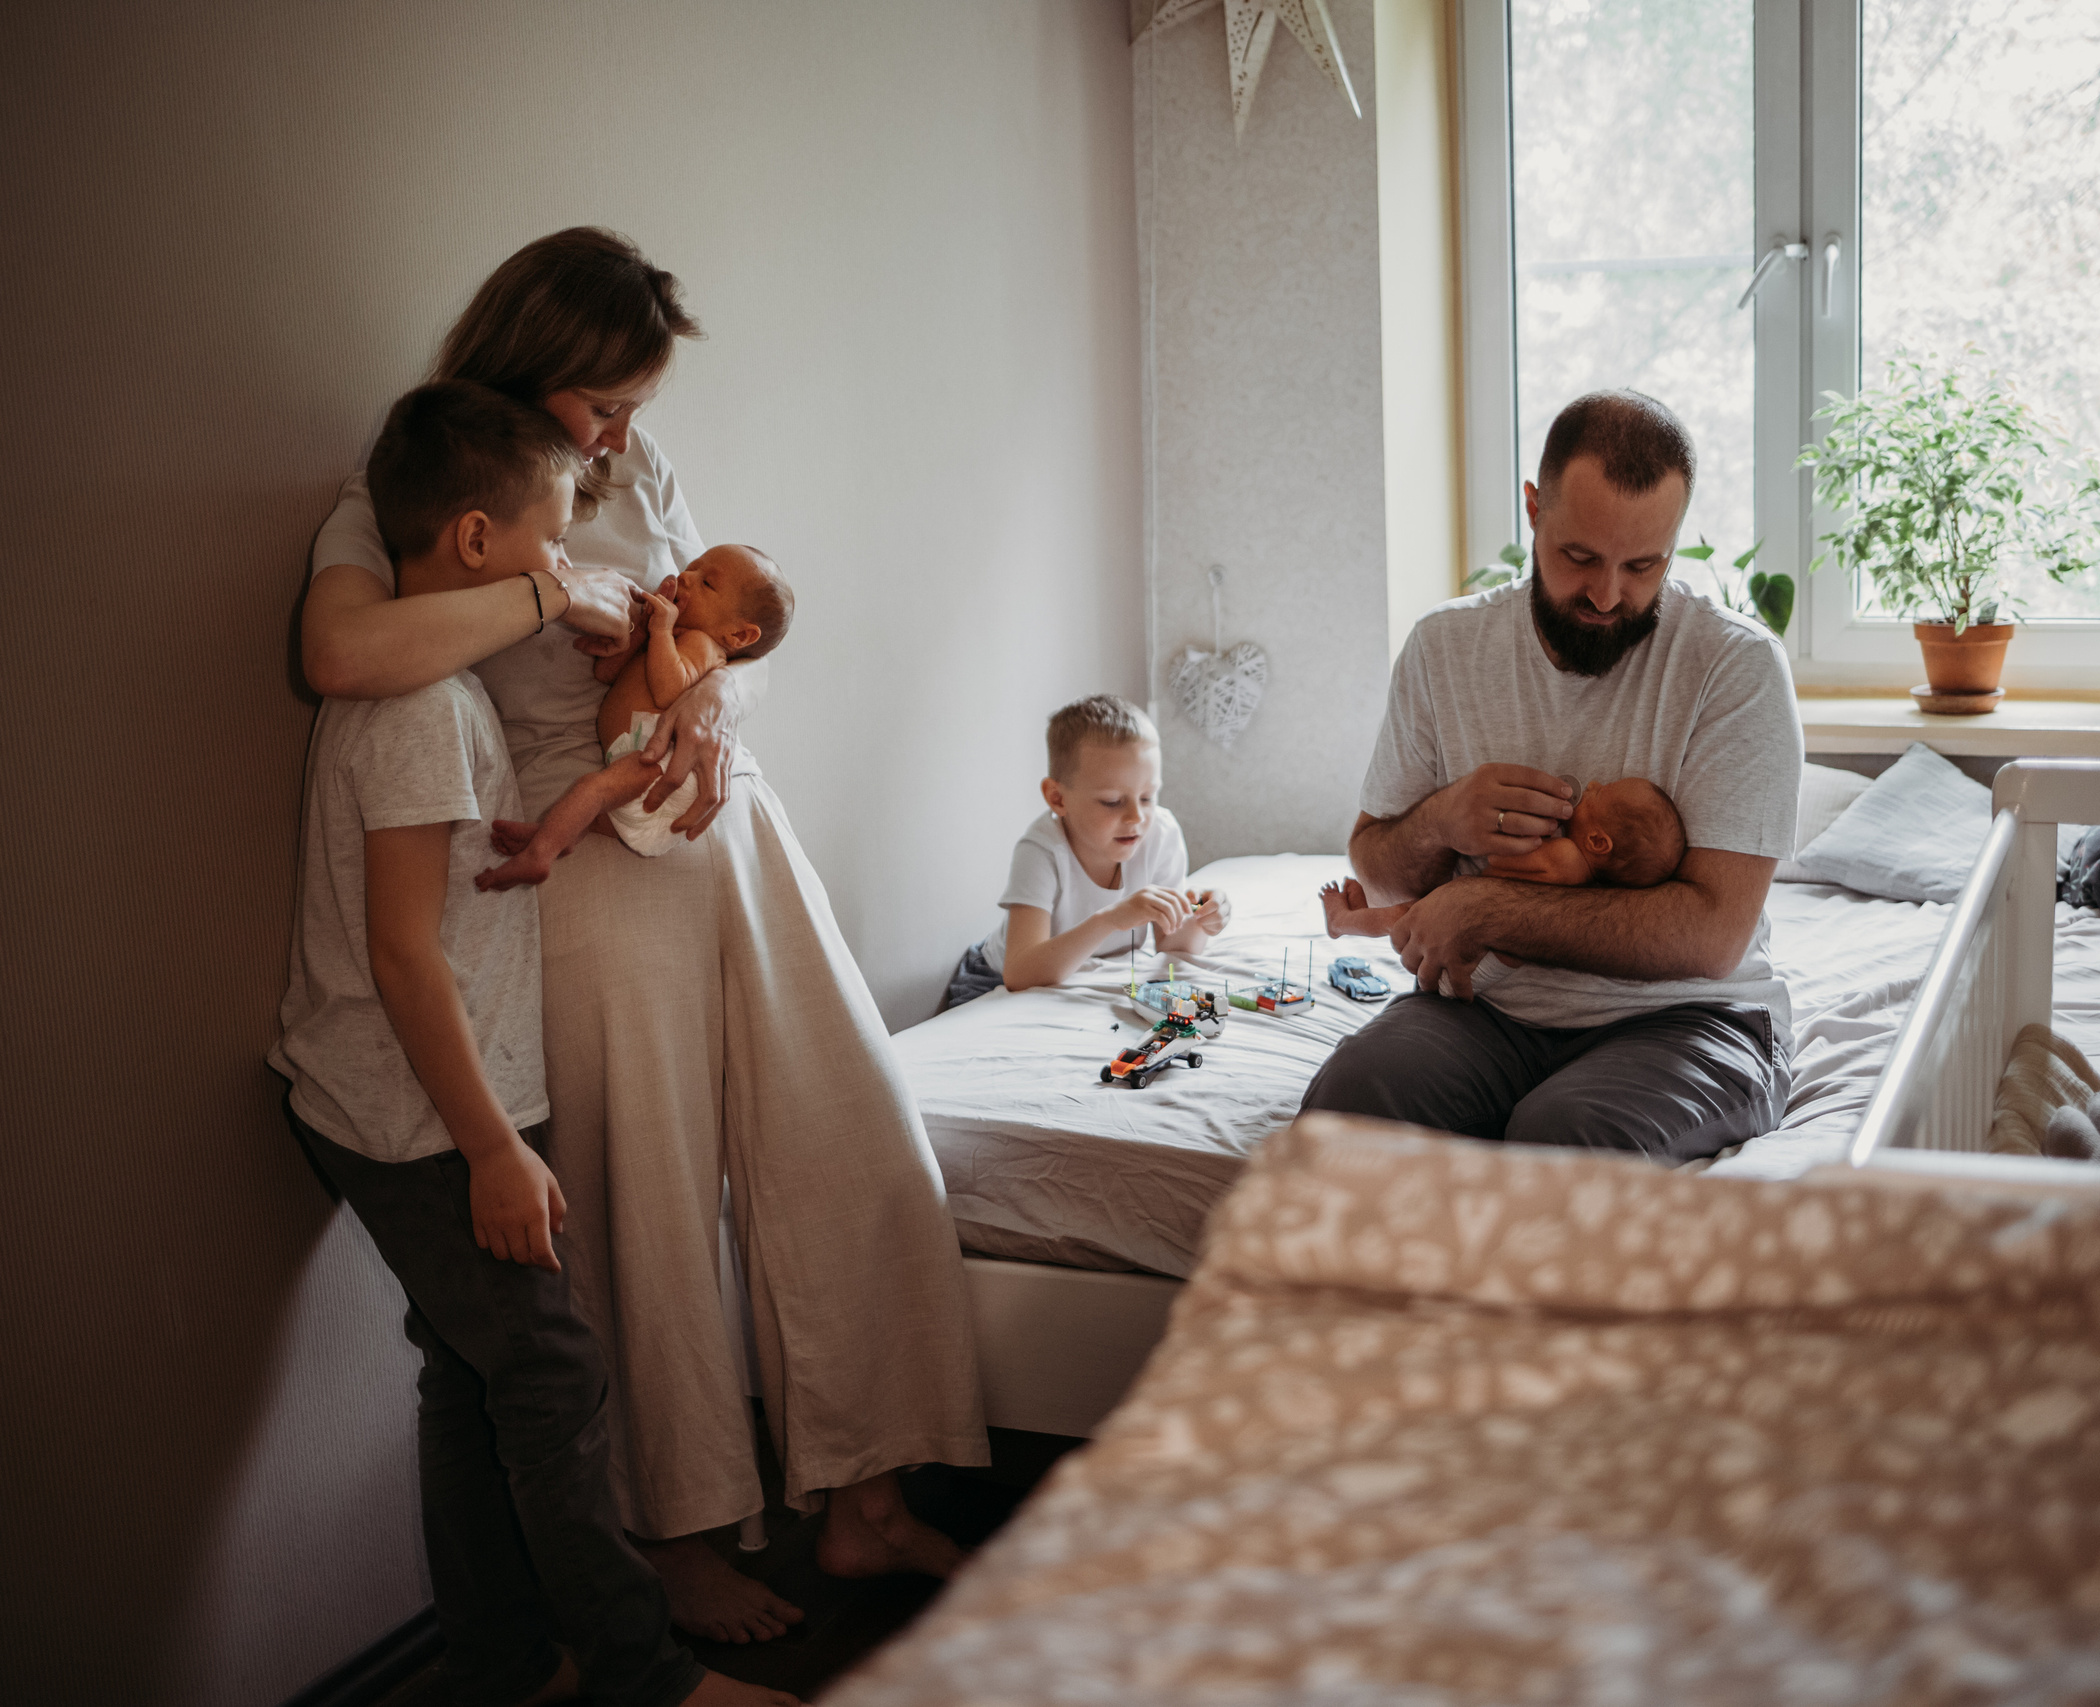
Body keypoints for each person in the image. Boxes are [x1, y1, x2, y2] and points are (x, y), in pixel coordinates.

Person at [302, 228, 982, 1647]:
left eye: (636, 411)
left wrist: (713, 708)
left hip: (726, 829)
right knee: (649, 1213)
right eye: (603, 402)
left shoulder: (633, 472)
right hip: (581, 863)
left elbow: (727, 624)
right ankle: (669, 1537)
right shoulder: (406, 490)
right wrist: (556, 595)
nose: (620, 437)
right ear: (533, 361)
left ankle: (864, 1489)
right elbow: (344, 656)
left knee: (860, 1137)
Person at [270, 382, 795, 1707]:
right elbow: (401, 955)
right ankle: (644, 1675)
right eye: (555, 540)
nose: (567, 566)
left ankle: (504, 1657)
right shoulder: (417, 713)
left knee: (473, 1367)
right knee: (552, 1370)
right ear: (471, 544)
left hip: (452, 1093)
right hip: (413, 1114)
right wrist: (495, 1145)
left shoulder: (444, 697)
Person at [1299, 390, 1800, 1164]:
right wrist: (1441, 821)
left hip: (1690, 1016)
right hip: (1487, 1011)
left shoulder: (1736, 668)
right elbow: (1377, 867)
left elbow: (1711, 934)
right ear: (1533, 510)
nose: (1607, 595)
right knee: (1344, 1117)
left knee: (1562, 1145)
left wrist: (1486, 906)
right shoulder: (1444, 649)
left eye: (1644, 565)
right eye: (1580, 557)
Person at [479, 544, 792, 889]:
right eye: (692, 567)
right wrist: (642, 632)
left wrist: (659, 633)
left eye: (707, 584)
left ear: (738, 634)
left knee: (592, 790)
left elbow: (669, 691)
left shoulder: (702, 645)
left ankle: (540, 854)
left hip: (662, 762)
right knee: (595, 807)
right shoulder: (670, 640)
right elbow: (606, 673)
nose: (686, 577)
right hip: (640, 764)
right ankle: (556, 834)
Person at [943, 695, 1230, 1008]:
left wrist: (1203, 919)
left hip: (1086, 974)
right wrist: (1110, 919)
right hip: (993, 978)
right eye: (1111, 801)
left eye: (1148, 797)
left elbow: (1173, 946)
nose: (1136, 817)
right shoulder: (1042, 850)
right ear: (1058, 798)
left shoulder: (1160, 833)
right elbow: (1019, 973)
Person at [1318, 776, 1686, 938]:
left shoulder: (1564, 857)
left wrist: (1523, 829)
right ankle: (1361, 903)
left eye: (1599, 793)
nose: (1590, 786)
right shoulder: (1583, 876)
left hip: (1468, 918)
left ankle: (1341, 922)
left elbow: (1499, 865)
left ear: (1597, 842)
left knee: (1400, 917)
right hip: (1481, 921)